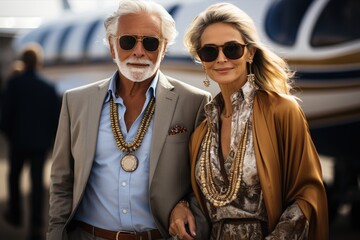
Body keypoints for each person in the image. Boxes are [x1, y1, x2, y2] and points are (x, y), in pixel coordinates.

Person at [47, 0, 211, 240]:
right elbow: (62, 180)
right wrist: (55, 233)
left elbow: (205, 182)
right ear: (113, 48)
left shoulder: (194, 102)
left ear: (164, 49)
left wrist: (187, 210)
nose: (139, 51)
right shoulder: (76, 101)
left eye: (151, 42)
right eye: (127, 41)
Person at [169, 2, 328, 240]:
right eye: (210, 51)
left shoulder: (282, 110)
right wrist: (179, 206)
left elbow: (308, 196)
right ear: (202, 60)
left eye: (232, 49)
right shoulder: (202, 128)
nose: (221, 58)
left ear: (250, 52)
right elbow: (201, 200)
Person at [0, 43, 60, 240]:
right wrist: (50, 142)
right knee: (36, 185)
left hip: (18, 142)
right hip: (39, 145)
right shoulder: (49, 87)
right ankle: (36, 226)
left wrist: (10, 136)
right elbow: (55, 120)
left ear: (23, 62)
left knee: (13, 178)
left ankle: (15, 214)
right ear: (39, 63)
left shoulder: (14, 83)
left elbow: (5, 115)